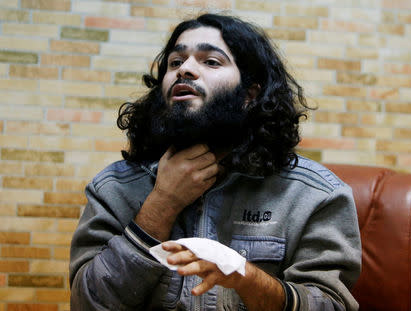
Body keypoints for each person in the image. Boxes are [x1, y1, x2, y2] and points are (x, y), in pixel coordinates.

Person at [69, 13, 361, 311]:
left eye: (210, 61)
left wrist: (248, 280)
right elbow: (87, 304)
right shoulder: (113, 187)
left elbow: (332, 305)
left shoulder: (316, 195)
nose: (185, 70)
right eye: (175, 62)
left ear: (250, 94)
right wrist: (162, 204)